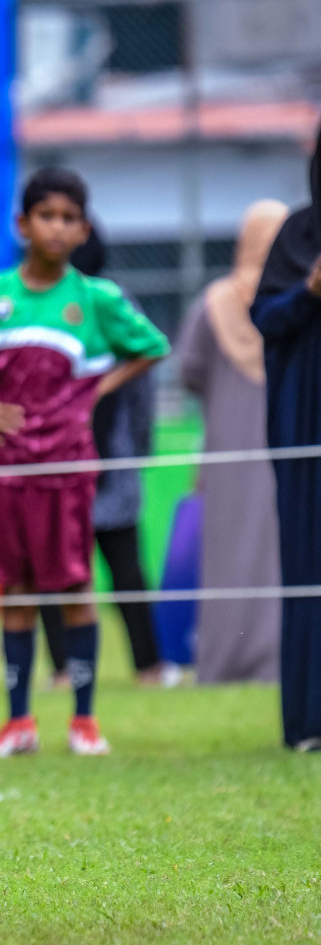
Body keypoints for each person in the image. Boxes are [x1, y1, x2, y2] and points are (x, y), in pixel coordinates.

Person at [0, 167, 169, 760]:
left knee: (74, 586)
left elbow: (152, 347)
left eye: (69, 219)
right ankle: (18, 722)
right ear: (23, 224)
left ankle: (84, 721)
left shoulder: (96, 299)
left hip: (67, 468)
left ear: (83, 229)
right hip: (4, 468)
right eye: (47, 216)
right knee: (15, 592)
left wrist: (96, 391)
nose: (58, 228)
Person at [40, 224, 167, 687]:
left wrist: (135, 448)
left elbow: (143, 381)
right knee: (55, 570)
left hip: (109, 454)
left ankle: (147, 665)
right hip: (49, 460)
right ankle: (64, 670)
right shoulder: (27, 299)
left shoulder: (113, 301)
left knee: (124, 568)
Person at [179, 199, 287, 685]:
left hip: (227, 449)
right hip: (290, 442)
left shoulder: (214, 301)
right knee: (286, 551)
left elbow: (190, 372)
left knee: (227, 555)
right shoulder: (301, 298)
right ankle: (281, 661)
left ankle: (223, 663)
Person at [252, 129, 321, 749]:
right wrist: (309, 291)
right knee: (309, 565)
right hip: (308, 428)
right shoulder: (299, 233)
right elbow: (265, 320)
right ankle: (309, 720)